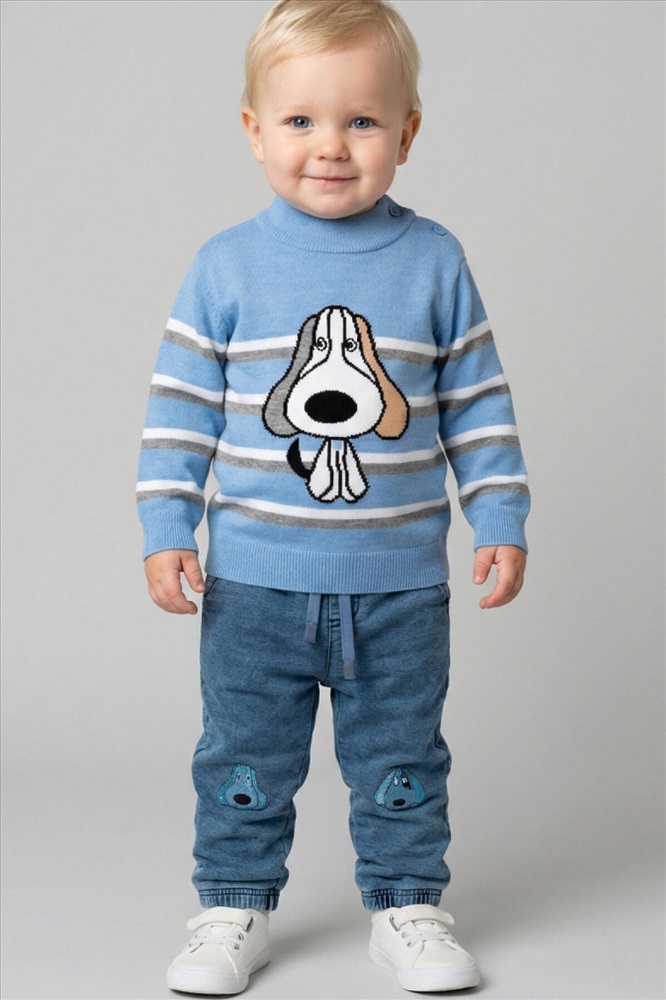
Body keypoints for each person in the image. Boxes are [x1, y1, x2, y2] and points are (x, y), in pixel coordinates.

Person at [137, 0, 529, 993]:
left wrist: (500, 516)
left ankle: (406, 906)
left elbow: (478, 404)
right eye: (301, 120)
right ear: (253, 129)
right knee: (243, 757)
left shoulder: (434, 260)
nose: (330, 146)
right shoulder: (225, 265)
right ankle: (232, 905)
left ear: (407, 131)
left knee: (403, 758)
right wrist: (165, 526)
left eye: (361, 120)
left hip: (399, 587)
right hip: (253, 588)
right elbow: (179, 413)